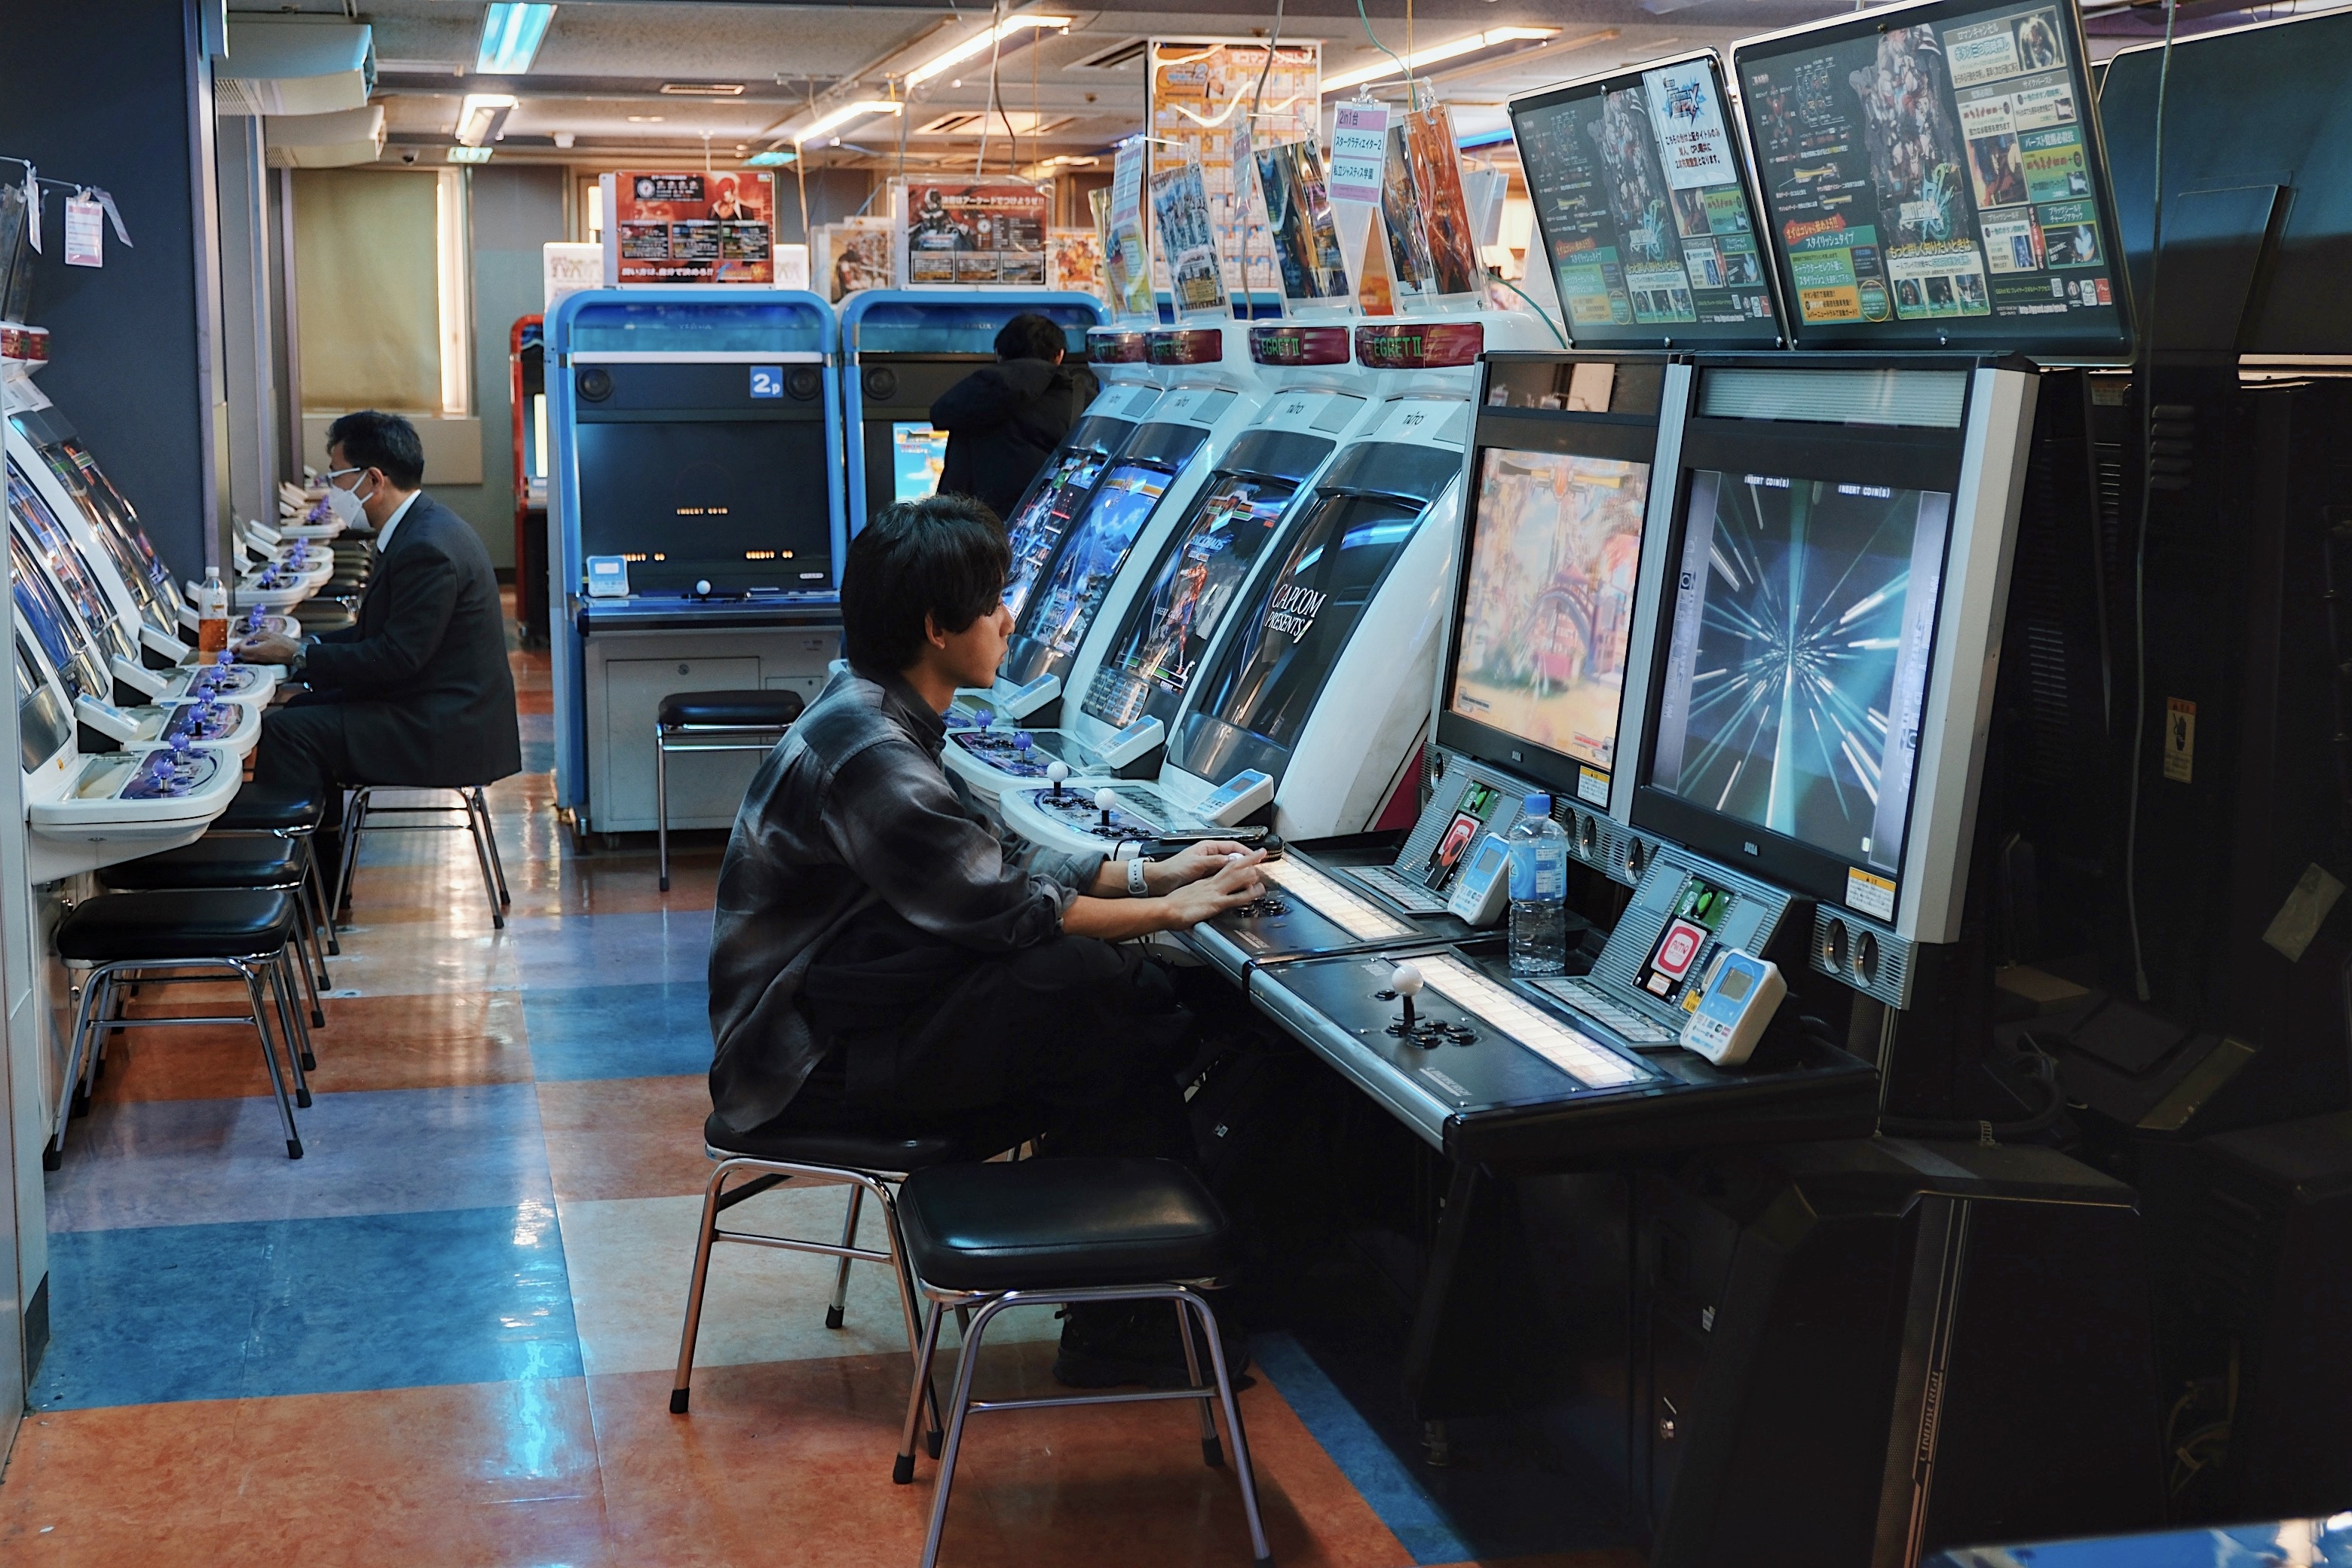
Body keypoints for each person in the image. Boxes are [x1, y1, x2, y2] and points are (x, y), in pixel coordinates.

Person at [706, 494, 1266, 1385]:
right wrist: (1174, 915)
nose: (1011, 618)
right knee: (1095, 992)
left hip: (851, 1010)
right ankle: (1144, 1314)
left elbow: (996, 853)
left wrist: (1152, 872)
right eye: (993, 602)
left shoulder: (875, 708)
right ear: (936, 627)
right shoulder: (869, 750)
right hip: (805, 1064)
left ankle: (1137, 1313)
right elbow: (1010, 907)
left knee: (1106, 1017)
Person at [237, 410, 522, 874]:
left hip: (445, 729)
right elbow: (380, 638)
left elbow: (394, 659)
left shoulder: (425, 548)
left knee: (289, 733)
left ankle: (302, 887)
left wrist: (302, 655)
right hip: (437, 706)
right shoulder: (421, 528)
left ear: (373, 479)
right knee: (299, 714)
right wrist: (301, 651)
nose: (331, 489)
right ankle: (318, 881)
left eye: (336, 477)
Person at [927, 311, 1079, 522]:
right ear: (1059, 355)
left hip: (972, 536)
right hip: (1043, 532)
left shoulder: (967, 400)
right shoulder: (1081, 401)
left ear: (999, 354)